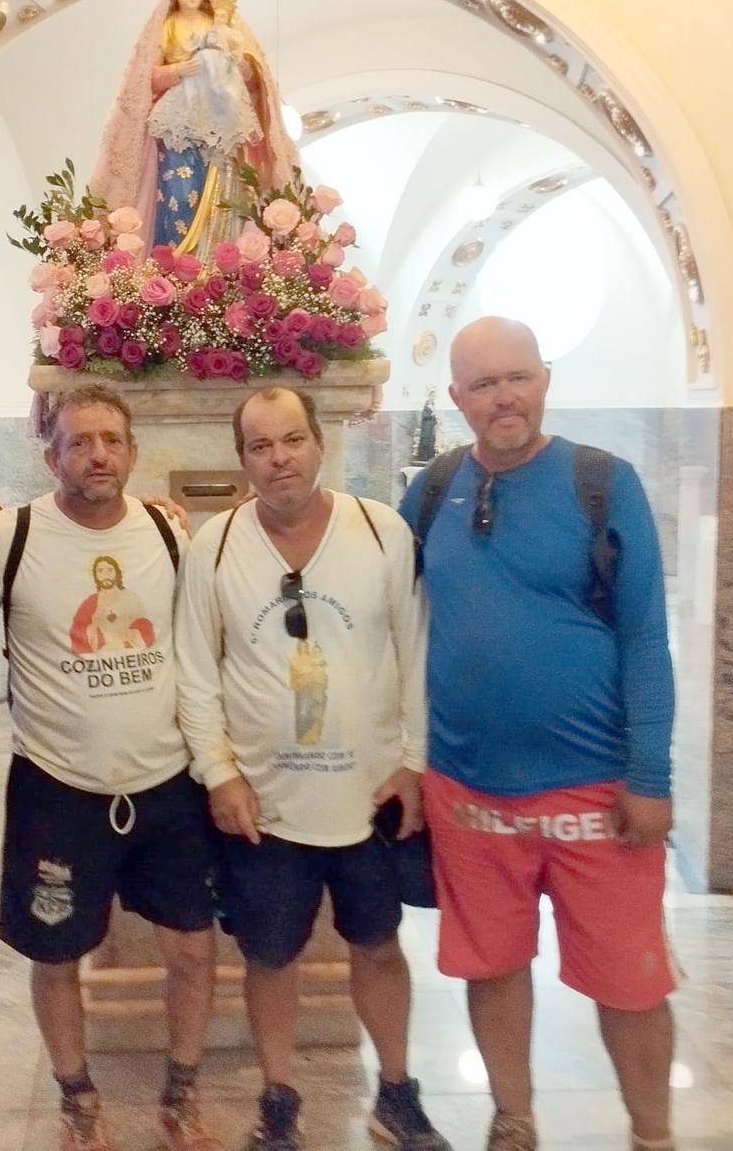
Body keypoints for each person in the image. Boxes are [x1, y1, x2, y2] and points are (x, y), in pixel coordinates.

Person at [400, 317, 678, 1151]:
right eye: (483, 385)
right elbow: (387, 614)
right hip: (467, 785)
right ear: (457, 399)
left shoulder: (602, 482)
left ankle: (652, 1134)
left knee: (631, 981)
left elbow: (644, 637)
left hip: (595, 788)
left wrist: (652, 776)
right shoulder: (432, 489)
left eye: (517, 377)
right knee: (493, 963)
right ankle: (512, 1119)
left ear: (545, 380)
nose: (503, 397)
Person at [176, 387, 452, 1151]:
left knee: (378, 946)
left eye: (292, 439)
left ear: (318, 442)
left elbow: (416, 650)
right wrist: (220, 774)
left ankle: (395, 1091)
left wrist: (415, 764)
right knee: (269, 955)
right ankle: (279, 1099)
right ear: (243, 460)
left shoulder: (381, 531)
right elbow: (195, 671)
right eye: (261, 446)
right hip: (265, 806)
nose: (279, 458)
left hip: (369, 796)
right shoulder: (217, 548)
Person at [0, 384, 221, 1151]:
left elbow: (196, 640)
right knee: (57, 952)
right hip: (58, 790)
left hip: (166, 785)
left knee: (191, 944)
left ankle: (180, 1094)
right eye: (79, 441)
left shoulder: (166, 529)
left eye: (111, 440)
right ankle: (78, 1100)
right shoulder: (10, 535)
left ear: (133, 451)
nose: (97, 455)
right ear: (50, 452)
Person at [89, 0, 297, 256]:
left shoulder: (217, 24)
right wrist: (177, 71)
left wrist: (235, 61)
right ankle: (177, 258)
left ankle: (213, 257)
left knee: (224, 187)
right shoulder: (168, 26)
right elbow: (146, 77)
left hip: (220, 116)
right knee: (179, 189)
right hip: (179, 118)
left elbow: (248, 71)